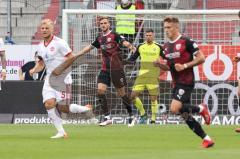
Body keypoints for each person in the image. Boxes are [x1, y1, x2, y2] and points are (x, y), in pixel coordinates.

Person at [59, 16, 136, 127]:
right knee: (100, 91)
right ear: (99, 26)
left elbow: (125, 43)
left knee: (122, 94)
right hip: (105, 69)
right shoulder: (99, 38)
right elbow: (88, 48)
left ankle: (131, 116)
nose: (103, 25)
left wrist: (132, 47)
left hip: (117, 70)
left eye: (105, 23)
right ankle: (107, 117)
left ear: (109, 24)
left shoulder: (115, 35)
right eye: (101, 23)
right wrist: (76, 55)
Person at [154, 16, 214, 148]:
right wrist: (159, 65)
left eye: (169, 27)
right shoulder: (165, 47)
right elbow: (169, 67)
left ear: (176, 27)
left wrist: (185, 66)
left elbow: (202, 58)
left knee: (174, 108)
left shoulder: (187, 41)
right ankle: (206, 138)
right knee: (185, 114)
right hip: (176, 83)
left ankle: (201, 108)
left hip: (186, 81)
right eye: (165, 28)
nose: (166, 30)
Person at [30, 19, 92, 139]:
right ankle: (61, 132)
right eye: (42, 28)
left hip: (63, 79)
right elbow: (41, 63)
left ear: (52, 29)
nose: (44, 30)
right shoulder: (40, 46)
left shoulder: (60, 43)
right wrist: (34, 69)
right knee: (49, 104)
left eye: (47, 28)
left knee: (64, 108)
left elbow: (71, 58)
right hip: (49, 79)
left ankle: (85, 108)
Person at [129, 29, 163, 124]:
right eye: (147, 35)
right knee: (132, 96)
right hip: (142, 76)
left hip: (153, 76)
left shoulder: (159, 47)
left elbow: (167, 59)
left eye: (150, 35)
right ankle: (143, 114)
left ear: (153, 36)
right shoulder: (140, 46)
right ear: (145, 36)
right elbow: (133, 58)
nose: (148, 37)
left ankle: (153, 120)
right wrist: (125, 60)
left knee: (153, 98)